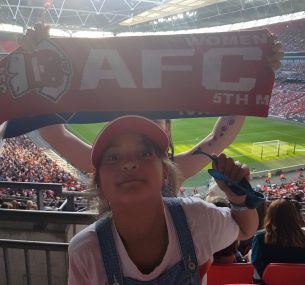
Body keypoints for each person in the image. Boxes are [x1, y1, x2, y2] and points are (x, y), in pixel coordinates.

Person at [17, 24, 283, 178]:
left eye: (155, 120)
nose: (147, 127)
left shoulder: (172, 170)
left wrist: (256, 73)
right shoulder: (103, 164)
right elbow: (56, 136)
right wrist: (38, 66)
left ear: (168, 128)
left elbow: (219, 138)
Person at [68, 115, 259, 285]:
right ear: (98, 182)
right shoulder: (84, 252)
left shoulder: (198, 217)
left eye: (144, 153)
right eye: (113, 157)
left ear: (165, 173)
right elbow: (245, 229)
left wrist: (238, 197)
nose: (129, 163)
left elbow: (243, 228)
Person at [251, 199, 305, 283]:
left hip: (269, 282)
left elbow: (256, 265)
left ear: (270, 215)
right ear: (294, 215)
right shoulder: (302, 236)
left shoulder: (260, 237)